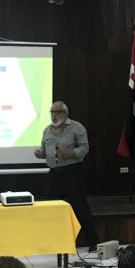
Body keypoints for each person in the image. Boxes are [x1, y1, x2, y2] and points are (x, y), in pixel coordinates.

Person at [35, 101, 99, 251]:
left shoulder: (77, 127)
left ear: (65, 113)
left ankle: (93, 242)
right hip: (54, 174)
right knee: (50, 208)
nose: (54, 115)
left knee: (80, 207)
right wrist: (40, 153)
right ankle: (52, 243)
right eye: (51, 112)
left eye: (57, 112)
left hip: (72, 172)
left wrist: (70, 153)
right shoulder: (47, 130)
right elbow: (44, 151)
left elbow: (85, 148)